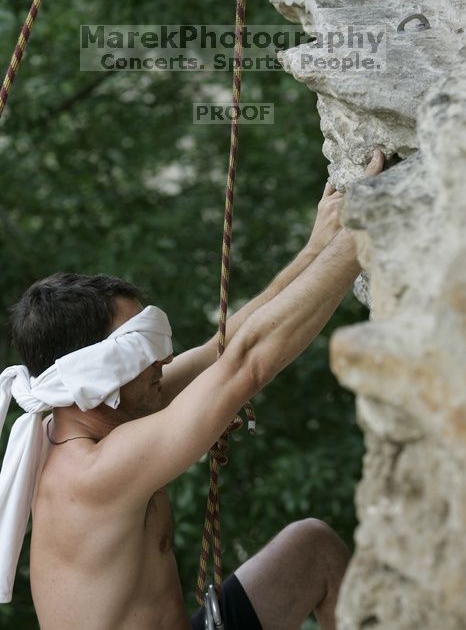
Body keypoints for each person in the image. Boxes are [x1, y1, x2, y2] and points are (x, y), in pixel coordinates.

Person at [0, 150, 384, 630]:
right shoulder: (89, 473)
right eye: (141, 350)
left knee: (314, 549)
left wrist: (315, 250)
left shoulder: (99, 412)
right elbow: (246, 364)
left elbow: (219, 352)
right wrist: (367, 227)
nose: (162, 359)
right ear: (92, 378)